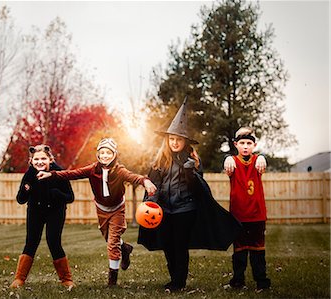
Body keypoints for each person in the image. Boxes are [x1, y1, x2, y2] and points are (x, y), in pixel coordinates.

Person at [138, 98, 242, 293]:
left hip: (186, 209)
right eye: (171, 139)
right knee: (168, 244)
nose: (174, 142)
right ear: (167, 140)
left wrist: (190, 172)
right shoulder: (160, 160)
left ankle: (179, 282)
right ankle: (173, 278)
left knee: (180, 245)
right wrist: (152, 202)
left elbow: (198, 189)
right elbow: (154, 185)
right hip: (164, 210)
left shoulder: (193, 160)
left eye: (178, 139)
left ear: (184, 140)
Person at [37, 137, 157, 286]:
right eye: (102, 153)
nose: (105, 156)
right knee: (109, 238)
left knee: (112, 243)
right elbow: (72, 174)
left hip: (117, 209)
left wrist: (145, 181)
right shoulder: (92, 169)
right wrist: (51, 174)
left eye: (108, 152)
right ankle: (125, 248)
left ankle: (112, 280)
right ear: (98, 154)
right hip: (101, 210)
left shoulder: (119, 170)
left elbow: (133, 177)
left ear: (114, 154)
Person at [10, 145, 75, 290]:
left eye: (43, 158)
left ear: (50, 160)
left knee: (53, 241)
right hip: (35, 211)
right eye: (36, 159)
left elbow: (70, 197)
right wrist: (26, 189)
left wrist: (56, 193)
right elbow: (21, 199)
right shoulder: (29, 175)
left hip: (55, 212)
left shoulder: (59, 173)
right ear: (31, 161)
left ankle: (66, 279)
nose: (40, 162)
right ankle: (19, 279)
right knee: (31, 242)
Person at [223, 127, 271, 292]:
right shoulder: (232, 162)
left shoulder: (258, 160)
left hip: (257, 215)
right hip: (238, 215)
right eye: (242, 143)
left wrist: (262, 157)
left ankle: (262, 282)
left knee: (258, 251)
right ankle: (238, 281)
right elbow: (227, 163)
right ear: (236, 144)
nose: (245, 146)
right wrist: (227, 157)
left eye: (249, 143)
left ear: (254, 145)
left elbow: (262, 161)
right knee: (239, 252)